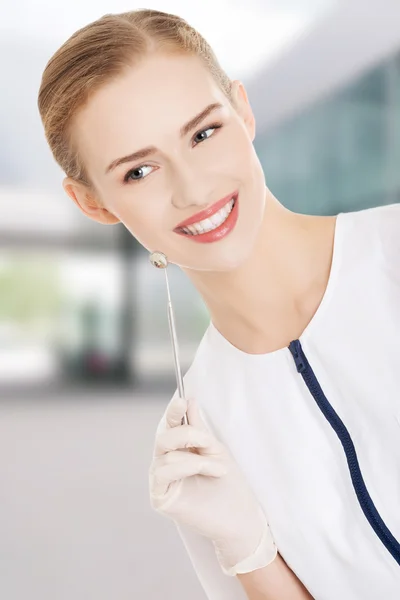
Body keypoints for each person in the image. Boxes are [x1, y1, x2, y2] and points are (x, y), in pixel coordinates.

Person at [37, 8, 400, 600]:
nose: (193, 188)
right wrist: (249, 552)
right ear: (94, 204)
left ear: (243, 110)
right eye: (139, 171)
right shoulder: (201, 441)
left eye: (204, 133)